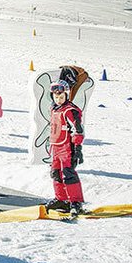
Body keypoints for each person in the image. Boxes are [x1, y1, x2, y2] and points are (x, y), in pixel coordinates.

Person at [47, 81, 86, 215]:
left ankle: (75, 201)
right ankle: (62, 199)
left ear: (67, 95)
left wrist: (77, 148)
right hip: (56, 146)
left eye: (61, 97)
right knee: (56, 173)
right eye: (56, 97)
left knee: (68, 174)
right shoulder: (54, 109)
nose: (58, 100)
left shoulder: (69, 110)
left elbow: (77, 130)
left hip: (67, 147)